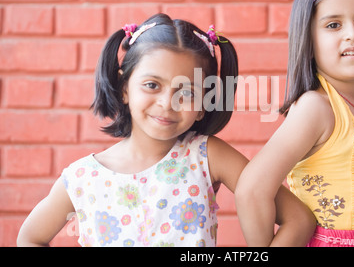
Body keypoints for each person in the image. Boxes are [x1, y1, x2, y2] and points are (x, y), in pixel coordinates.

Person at [17, 13, 313, 247]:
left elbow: (298, 219)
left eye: (187, 92)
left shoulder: (206, 155)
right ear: (124, 88)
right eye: (152, 85)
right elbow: (30, 237)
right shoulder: (82, 178)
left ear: (203, 104)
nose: (167, 103)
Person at [235, 0, 354, 247]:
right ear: (309, 39)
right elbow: (252, 190)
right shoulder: (316, 108)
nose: (352, 34)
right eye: (333, 25)